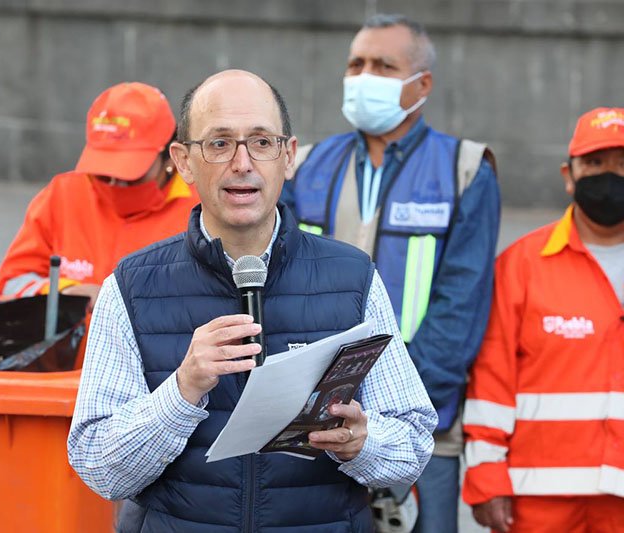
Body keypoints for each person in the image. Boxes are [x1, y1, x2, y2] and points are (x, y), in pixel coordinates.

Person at [67, 69, 437, 532]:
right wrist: (182, 390)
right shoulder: (132, 287)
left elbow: (414, 447)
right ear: (183, 162)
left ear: (288, 156)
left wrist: (362, 442)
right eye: (219, 144)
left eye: (261, 142)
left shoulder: (354, 278)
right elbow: (101, 470)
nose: (242, 163)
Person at [280, 13, 500, 532]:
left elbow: (459, 307)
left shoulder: (465, 169)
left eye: (383, 65)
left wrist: (390, 408)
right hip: (313, 423)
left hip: (424, 423)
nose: (363, 76)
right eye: (356, 63)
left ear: (421, 84)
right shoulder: (306, 165)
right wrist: (325, 405)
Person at [463, 107, 624, 533]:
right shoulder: (521, 266)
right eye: (595, 163)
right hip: (537, 499)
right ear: (568, 174)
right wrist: (486, 476)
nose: (610, 177)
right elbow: (491, 381)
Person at [0, 81, 199, 306]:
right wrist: (66, 292)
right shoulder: (63, 195)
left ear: (170, 157)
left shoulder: (202, 210)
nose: (114, 184)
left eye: (130, 174)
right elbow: (9, 285)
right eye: (103, 173)